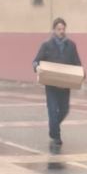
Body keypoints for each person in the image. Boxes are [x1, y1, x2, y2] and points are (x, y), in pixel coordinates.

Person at [34, 17, 82, 152]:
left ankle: (53, 128)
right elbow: (36, 61)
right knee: (53, 111)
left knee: (65, 110)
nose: (61, 31)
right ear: (54, 30)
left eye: (63, 29)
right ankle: (56, 136)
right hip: (51, 85)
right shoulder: (47, 45)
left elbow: (77, 63)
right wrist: (37, 67)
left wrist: (81, 73)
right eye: (59, 29)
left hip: (65, 84)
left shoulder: (71, 45)